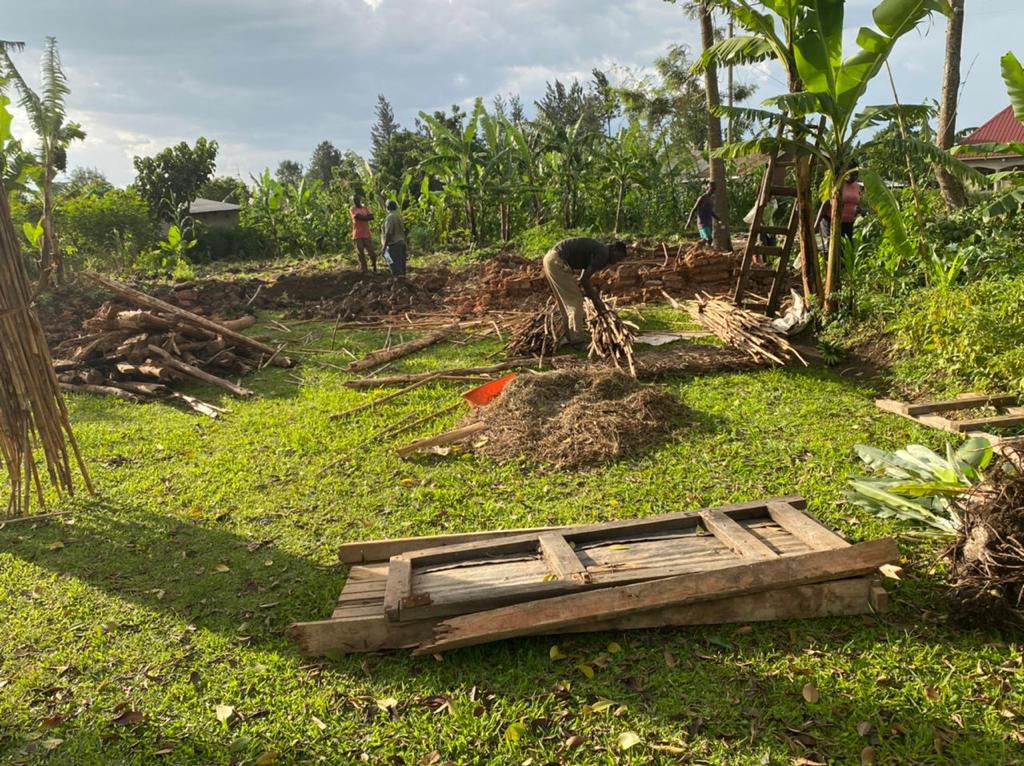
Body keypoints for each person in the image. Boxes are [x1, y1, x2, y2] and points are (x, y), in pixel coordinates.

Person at [542, 237, 628, 346]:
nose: (616, 261)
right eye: (618, 257)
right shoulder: (603, 254)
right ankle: (577, 340)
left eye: (619, 260)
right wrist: (595, 299)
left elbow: (583, 276)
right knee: (576, 301)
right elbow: (584, 279)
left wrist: (592, 295)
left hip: (550, 259)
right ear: (613, 249)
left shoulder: (600, 249)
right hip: (557, 262)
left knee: (566, 303)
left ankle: (569, 337)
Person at [380, 200, 408, 277]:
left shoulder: (390, 217)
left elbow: (389, 233)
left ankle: (399, 285)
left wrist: (384, 247)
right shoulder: (398, 216)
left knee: (395, 269)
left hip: (394, 245)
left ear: (387, 207)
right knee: (402, 268)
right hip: (401, 243)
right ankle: (403, 285)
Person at [349, 195, 376, 273]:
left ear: (359, 199)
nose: (355, 201)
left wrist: (365, 218)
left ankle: (374, 267)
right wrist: (367, 217)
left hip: (366, 233)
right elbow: (358, 217)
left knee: (372, 253)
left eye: (356, 199)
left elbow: (372, 217)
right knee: (361, 254)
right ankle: (364, 270)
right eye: (354, 200)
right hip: (357, 234)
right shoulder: (352, 209)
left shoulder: (365, 208)